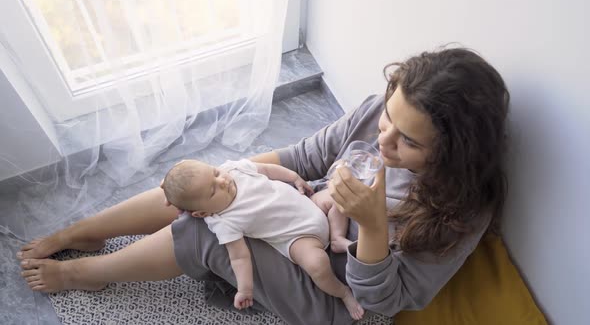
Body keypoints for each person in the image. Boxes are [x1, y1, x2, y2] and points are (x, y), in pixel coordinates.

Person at [17, 47, 509, 325]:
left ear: (452, 151)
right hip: (308, 212)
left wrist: (373, 227)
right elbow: (305, 156)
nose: (385, 140)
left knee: (209, 228)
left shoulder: (461, 208)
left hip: (336, 291)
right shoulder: (372, 118)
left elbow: (385, 301)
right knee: (207, 185)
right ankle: (84, 231)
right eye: (387, 119)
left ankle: (86, 274)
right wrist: (232, 177)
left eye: (408, 142)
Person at [160, 159, 364, 319]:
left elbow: (267, 169)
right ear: (202, 213)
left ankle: (337, 237)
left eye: (215, 173)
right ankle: (343, 293)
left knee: (337, 196)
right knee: (317, 265)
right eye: (213, 191)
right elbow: (239, 257)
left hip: (312, 205)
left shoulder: (234, 169)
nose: (222, 181)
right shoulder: (223, 221)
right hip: (299, 238)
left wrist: (294, 177)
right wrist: (245, 289)